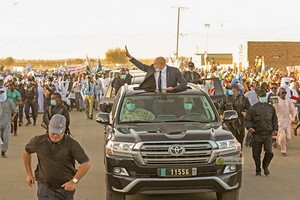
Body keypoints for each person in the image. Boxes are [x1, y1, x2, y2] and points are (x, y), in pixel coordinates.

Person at [23, 114, 91, 200]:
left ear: (64, 129)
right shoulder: (38, 141)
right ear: (48, 128)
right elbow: (26, 152)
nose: (55, 136)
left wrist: (73, 181)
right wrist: (29, 174)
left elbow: (86, 164)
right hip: (45, 187)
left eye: (59, 133)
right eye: (53, 132)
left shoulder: (71, 144)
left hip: (65, 188)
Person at [245, 89, 278, 176]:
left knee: (269, 152)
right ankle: (258, 169)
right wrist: (249, 127)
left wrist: (275, 130)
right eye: (261, 97)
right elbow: (247, 120)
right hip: (256, 134)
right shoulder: (253, 108)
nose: (262, 98)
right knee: (256, 154)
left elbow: (274, 120)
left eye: (264, 96)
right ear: (258, 97)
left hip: (268, 134)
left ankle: (265, 165)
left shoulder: (271, 108)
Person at [219, 84, 251, 149]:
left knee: (240, 141)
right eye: (229, 89)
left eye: (231, 89)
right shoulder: (226, 99)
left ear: (236, 89)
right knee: (231, 141)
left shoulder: (243, 99)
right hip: (230, 123)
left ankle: (239, 155)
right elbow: (220, 108)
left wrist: (245, 113)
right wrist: (222, 114)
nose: (230, 90)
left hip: (240, 123)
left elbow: (250, 109)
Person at [273, 87, 296, 156]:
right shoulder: (276, 99)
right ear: (279, 93)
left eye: (285, 93)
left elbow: (292, 109)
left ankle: (277, 140)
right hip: (279, 121)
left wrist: (294, 116)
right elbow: (273, 109)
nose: (284, 94)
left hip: (287, 120)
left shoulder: (288, 100)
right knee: (282, 136)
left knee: (288, 137)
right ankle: (283, 151)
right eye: (282, 92)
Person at [0, 86, 17, 158]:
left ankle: (3, 151)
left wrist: (12, 117)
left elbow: (15, 111)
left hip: (6, 123)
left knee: (6, 138)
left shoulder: (9, 101)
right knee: (1, 138)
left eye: (2, 92)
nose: (0, 93)